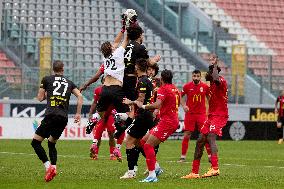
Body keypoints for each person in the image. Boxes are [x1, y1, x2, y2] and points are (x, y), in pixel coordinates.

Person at [31, 60, 83, 182]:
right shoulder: (69, 82)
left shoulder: (47, 79)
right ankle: (54, 167)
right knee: (51, 143)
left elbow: (39, 98)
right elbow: (80, 96)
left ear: (52, 69)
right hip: (63, 117)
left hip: (51, 115)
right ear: (63, 69)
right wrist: (78, 113)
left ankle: (48, 167)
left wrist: (48, 94)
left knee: (35, 143)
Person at [181, 55, 228, 179]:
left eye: (210, 72)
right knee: (200, 140)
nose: (207, 74)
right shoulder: (210, 85)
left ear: (214, 73)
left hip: (219, 115)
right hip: (211, 115)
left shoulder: (220, 81)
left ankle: (215, 168)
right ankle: (194, 172)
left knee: (211, 136)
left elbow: (216, 78)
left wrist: (215, 65)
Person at [135, 69, 181, 183]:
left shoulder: (163, 89)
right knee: (143, 142)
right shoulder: (175, 88)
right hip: (168, 120)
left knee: (148, 146)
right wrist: (160, 112)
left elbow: (158, 104)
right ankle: (156, 168)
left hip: (168, 122)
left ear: (162, 78)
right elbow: (174, 104)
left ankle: (152, 176)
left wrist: (143, 106)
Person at [119, 58, 154, 179]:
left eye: (135, 66)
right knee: (139, 142)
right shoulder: (144, 80)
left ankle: (131, 172)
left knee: (129, 140)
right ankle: (156, 166)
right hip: (146, 115)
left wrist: (130, 102)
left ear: (138, 67)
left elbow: (140, 102)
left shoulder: (143, 81)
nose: (134, 67)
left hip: (143, 115)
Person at [178, 70, 211, 163]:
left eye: (197, 76)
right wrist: (184, 105)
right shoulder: (187, 86)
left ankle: (210, 156)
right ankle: (182, 157)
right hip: (190, 114)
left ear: (200, 77)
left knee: (205, 135)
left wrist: (211, 110)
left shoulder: (205, 87)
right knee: (187, 134)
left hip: (201, 114)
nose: (196, 78)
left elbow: (209, 98)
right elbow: (180, 96)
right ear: (192, 76)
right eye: (194, 76)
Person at [88, 77, 125, 161]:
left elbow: (95, 103)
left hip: (105, 114)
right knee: (108, 134)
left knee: (104, 133)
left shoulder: (101, 90)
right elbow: (95, 102)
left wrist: (91, 114)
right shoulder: (106, 90)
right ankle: (109, 153)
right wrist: (90, 113)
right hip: (108, 113)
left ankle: (99, 152)